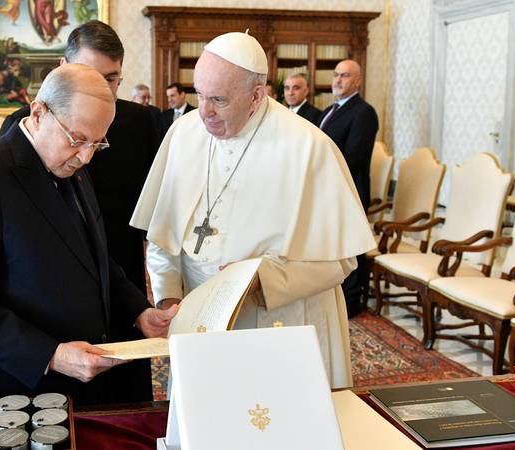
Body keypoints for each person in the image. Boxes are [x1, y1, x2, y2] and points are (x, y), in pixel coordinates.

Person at [131, 32, 375, 389]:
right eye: (199, 94)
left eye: (218, 99)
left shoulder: (308, 148)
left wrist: (266, 279)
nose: (205, 112)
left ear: (256, 95)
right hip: (198, 317)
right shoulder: (183, 134)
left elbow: (341, 261)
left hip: (278, 317)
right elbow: (162, 235)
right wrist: (169, 296)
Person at [0, 63, 177, 404]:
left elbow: (93, 256)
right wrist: (50, 354)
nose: (87, 156)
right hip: (12, 389)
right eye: (78, 139)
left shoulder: (71, 164)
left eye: (98, 143)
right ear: (38, 113)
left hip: (74, 388)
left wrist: (139, 311)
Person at [0, 20, 159, 293]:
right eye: (89, 75)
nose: (101, 89)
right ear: (63, 66)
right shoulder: (23, 125)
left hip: (122, 270)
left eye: (111, 79)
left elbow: (152, 202)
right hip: (52, 276)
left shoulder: (142, 122)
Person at [318, 59, 379, 317]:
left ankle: (353, 301)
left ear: (357, 81)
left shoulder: (363, 112)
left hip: (349, 189)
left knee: (350, 245)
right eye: (336, 75)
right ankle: (333, 293)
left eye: (345, 75)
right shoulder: (331, 110)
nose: (338, 80)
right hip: (328, 189)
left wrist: (318, 167)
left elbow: (355, 156)